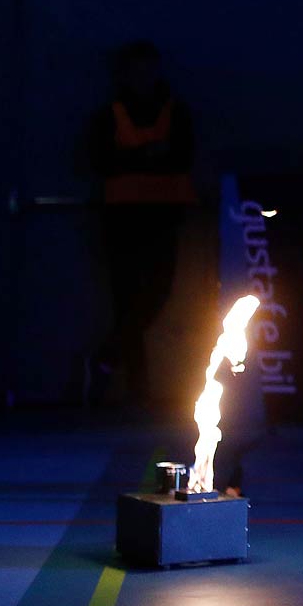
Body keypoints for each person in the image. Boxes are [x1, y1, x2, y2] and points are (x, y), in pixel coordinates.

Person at [87, 41, 197, 405]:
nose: (143, 78)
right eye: (136, 70)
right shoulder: (111, 114)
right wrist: (149, 156)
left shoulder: (175, 112)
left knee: (154, 297)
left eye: (149, 69)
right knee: (127, 302)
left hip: (162, 219)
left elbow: (184, 156)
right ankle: (138, 388)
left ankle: (106, 360)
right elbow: (101, 159)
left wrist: (133, 158)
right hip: (122, 219)